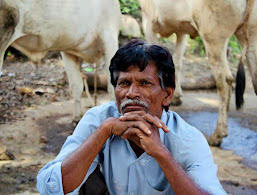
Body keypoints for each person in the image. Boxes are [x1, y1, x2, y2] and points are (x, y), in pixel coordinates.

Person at [37, 40, 227, 195]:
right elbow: (50, 187)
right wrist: (105, 131)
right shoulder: (100, 119)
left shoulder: (187, 139)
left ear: (167, 95)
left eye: (145, 83)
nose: (132, 93)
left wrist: (161, 153)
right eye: (124, 83)